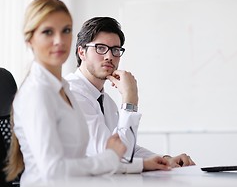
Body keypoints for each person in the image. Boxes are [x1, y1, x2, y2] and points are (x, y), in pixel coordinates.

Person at [5, 0, 171, 187]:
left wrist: (148, 163)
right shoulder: (38, 93)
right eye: (48, 32)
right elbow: (54, 171)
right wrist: (130, 101)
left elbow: (95, 157)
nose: (59, 40)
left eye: (66, 30)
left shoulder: (64, 89)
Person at [65, 17, 195, 171]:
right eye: (100, 48)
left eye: (115, 50)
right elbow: (114, 156)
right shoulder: (72, 94)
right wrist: (130, 97)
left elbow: (125, 147)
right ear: (82, 52)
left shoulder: (106, 101)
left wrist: (166, 160)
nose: (109, 56)